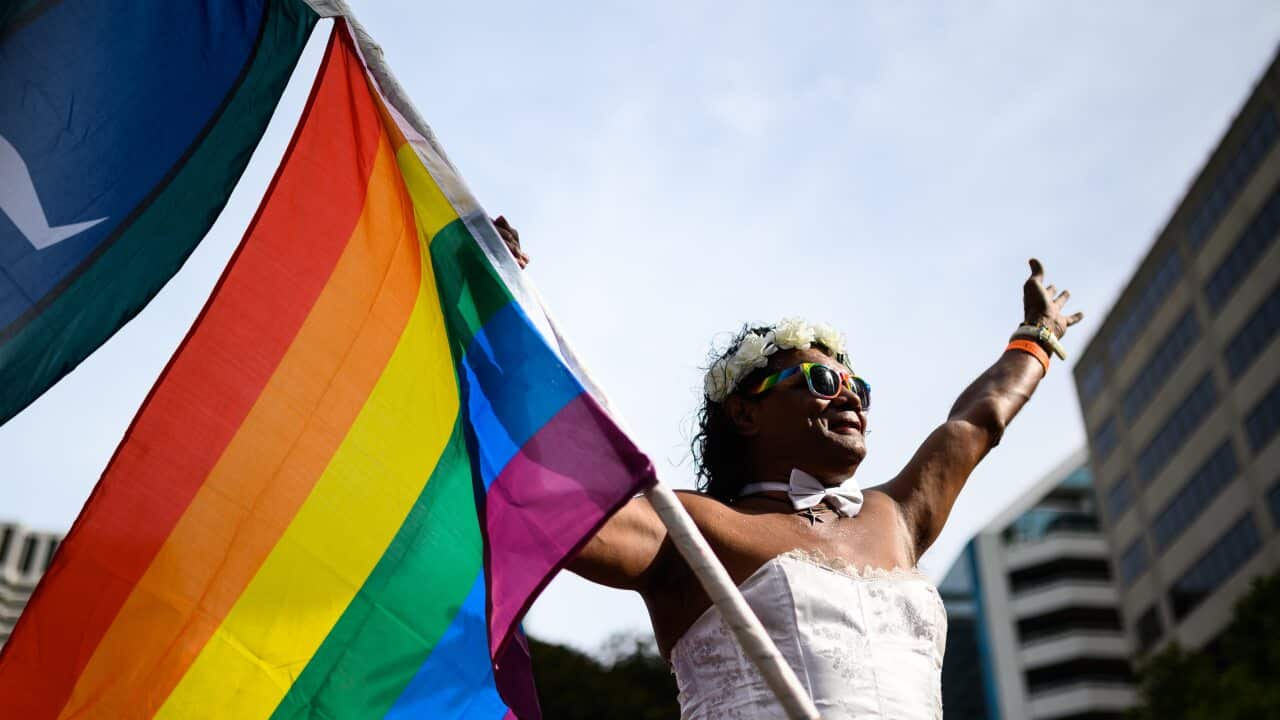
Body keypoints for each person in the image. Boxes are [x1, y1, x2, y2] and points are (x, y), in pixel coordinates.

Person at [494, 217, 1082, 719]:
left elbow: (975, 424)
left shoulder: (895, 515)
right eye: (823, 381)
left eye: (859, 387)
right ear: (745, 412)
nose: (850, 397)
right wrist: (499, 315)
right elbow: (541, 499)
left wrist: (1035, 338)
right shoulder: (686, 524)